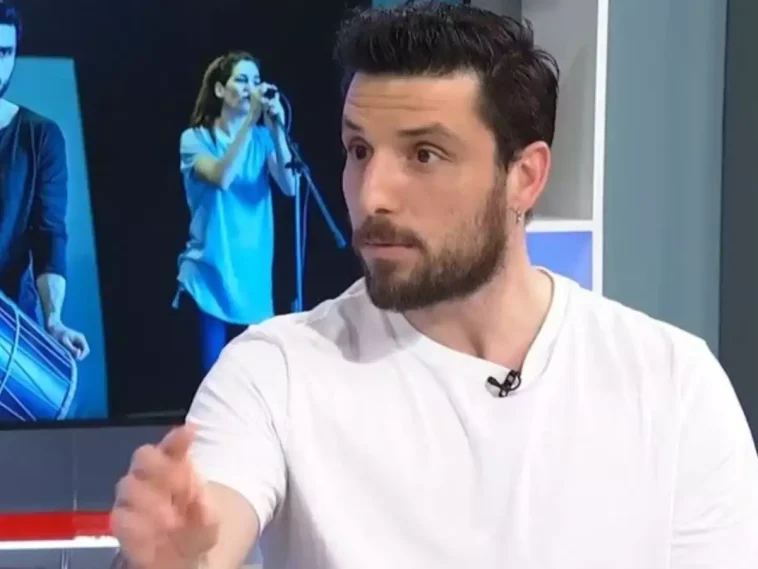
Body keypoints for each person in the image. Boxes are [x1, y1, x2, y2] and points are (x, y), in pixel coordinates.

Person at [111, 4, 758, 569]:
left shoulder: (672, 384)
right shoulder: (273, 372)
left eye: (424, 154)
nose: (373, 195)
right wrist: (174, 559)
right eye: (359, 150)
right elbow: (209, 525)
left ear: (525, 177)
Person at [173, 51, 299, 380]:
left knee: (255, 383)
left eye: (255, 81)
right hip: (209, 278)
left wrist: (276, 130)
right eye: (241, 80)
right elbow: (221, 176)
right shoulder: (195, 139)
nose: (250, 88)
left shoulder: (262, 139)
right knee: (213, 384)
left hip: (253, 283)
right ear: (219, 90)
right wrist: (250, 119)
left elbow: (290, 186)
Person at [0, 0, 88, 360]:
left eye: (4, 52)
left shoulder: (40, 136)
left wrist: (54, 319)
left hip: (11, 329)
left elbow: (48, 232)